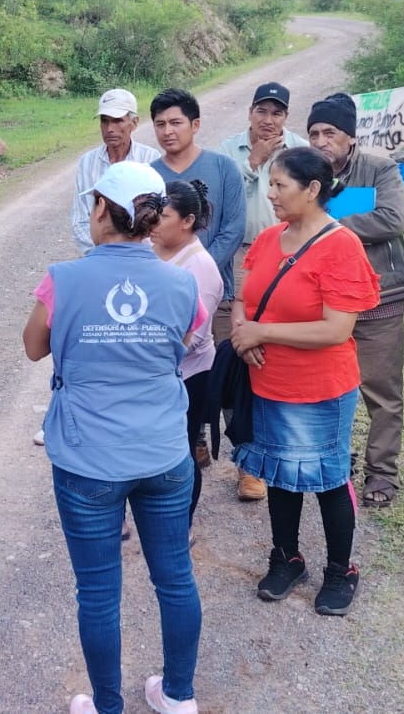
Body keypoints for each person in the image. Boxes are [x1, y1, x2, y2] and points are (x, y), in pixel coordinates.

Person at [23, 161, 206, 714]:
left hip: (88, 458)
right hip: (164, 453)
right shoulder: (181, 281)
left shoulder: (64, 278)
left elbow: (34, 347)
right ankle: (178, 696)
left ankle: (107, 706)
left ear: (101, 209)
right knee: (175, 577)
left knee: (99, 591)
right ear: (152, 218)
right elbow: (192, 338)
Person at [229, 147, 379, 617]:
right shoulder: (270, 238)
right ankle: (286, 556)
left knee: (329, 478)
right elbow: (244, 295)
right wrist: (241, 334)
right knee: (279, 475)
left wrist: (264, 331)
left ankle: (341, 569)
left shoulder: (341, 246)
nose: (270, 194)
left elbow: (337, 329)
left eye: (280, 186)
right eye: (269, 185)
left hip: (321, 389)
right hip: (267, 381)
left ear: (313, 190)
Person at [304, 94, 404, 509]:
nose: (320, 141)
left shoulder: (379, 168)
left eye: (329, 133)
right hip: (326, 301)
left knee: (382, 391)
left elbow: (392, 218)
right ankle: (335, 459)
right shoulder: (307, 173)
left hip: (379, 298)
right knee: (329, 386)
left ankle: (382, 474)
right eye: (314, 133)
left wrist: (326, 224)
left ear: (350, 137)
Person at [149, 87, 252, 500]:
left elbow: (233, 228)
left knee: (228, 377)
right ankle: (196, 445)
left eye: (176, 122)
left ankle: (247, 462)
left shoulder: (223, 168)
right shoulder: (149, 172)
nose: (168, 131)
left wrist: (195, 265)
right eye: (159, 124)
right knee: (180, 378)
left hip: (219, 293)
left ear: (195, 125)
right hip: (159, 292)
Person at [150, 179, 224, 528]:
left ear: (187, 220)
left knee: (181, 451)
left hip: (189, 375)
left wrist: (142, 352)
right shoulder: (151, 251)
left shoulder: (201, 267)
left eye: (162, 215)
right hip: (155, 372)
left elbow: (193, 337)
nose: (153, 222)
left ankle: (182, 522)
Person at [218, 81, 308, 288]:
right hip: (241, 251)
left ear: (286, 117)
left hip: (291, 249)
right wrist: (252, 161)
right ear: (250, 113)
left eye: (276, 114)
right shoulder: (228, 149)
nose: (268, 120)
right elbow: (220, 195)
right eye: (261, 112)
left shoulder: (301, 149)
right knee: (240, 310)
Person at [71, 88, 161, 255]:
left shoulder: (150, 159)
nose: (109, 128)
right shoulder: (87, 163)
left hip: (138, 256)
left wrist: (128, 253)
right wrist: (105, 254)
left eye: (117, 121)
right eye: (104, 121)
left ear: (134, 123)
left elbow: (155, 218)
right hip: (97, 256)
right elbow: (79, 220)